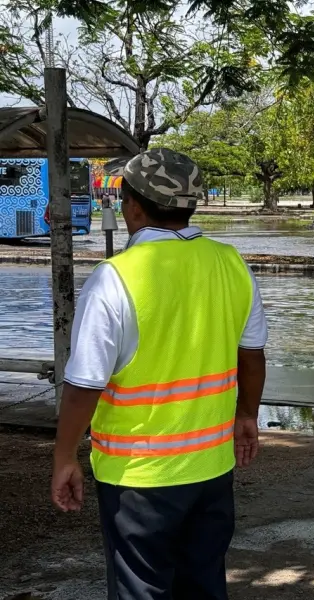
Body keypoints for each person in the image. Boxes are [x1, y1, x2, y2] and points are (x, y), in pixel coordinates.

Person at [50, 148, 268, 600]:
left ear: (131, 205)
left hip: (139, 478)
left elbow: (84, 385)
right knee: (204, 586)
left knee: (142, 590)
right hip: (211, 469)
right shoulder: (232, 264)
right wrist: (247, 414)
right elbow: (252, 354)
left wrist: (65, 456)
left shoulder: (114, 278)